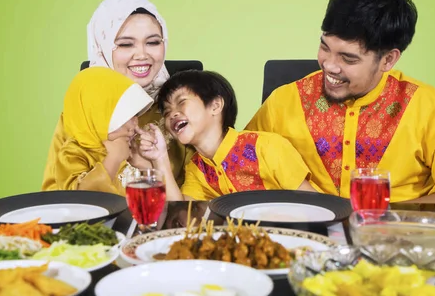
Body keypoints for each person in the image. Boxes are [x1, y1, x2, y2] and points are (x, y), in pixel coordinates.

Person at [246, 0, 435, 204]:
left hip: (396, 241)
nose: (329, 65)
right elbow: (237, 168)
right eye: (324, 47)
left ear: (388, 60)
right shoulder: (283, 101)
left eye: (348, 59)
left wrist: (383, 220)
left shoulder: (432, 108)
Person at [42, 0, 194, 191]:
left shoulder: (181, 107)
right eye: (125, 44)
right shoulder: (83, 114)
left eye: (153, 42)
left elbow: (204, 190)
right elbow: (55, 197)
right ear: (103, 48)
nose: (142, 54)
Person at [134, 70, 317, 200]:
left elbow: (314, 203)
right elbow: (182, 215)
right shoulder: (197, 170)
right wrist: (160, 158)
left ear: (215, 106)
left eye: (181, 102)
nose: (172, 114)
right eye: (166, 112)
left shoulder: (266, 146)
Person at [55, 67, 154, 193]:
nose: (135, 125)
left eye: (136, 116)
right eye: (126, 117)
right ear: (97, 117)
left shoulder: (131, 149)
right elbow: (79, 199)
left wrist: (146, 165)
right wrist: (114, 158)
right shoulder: (72, 154)